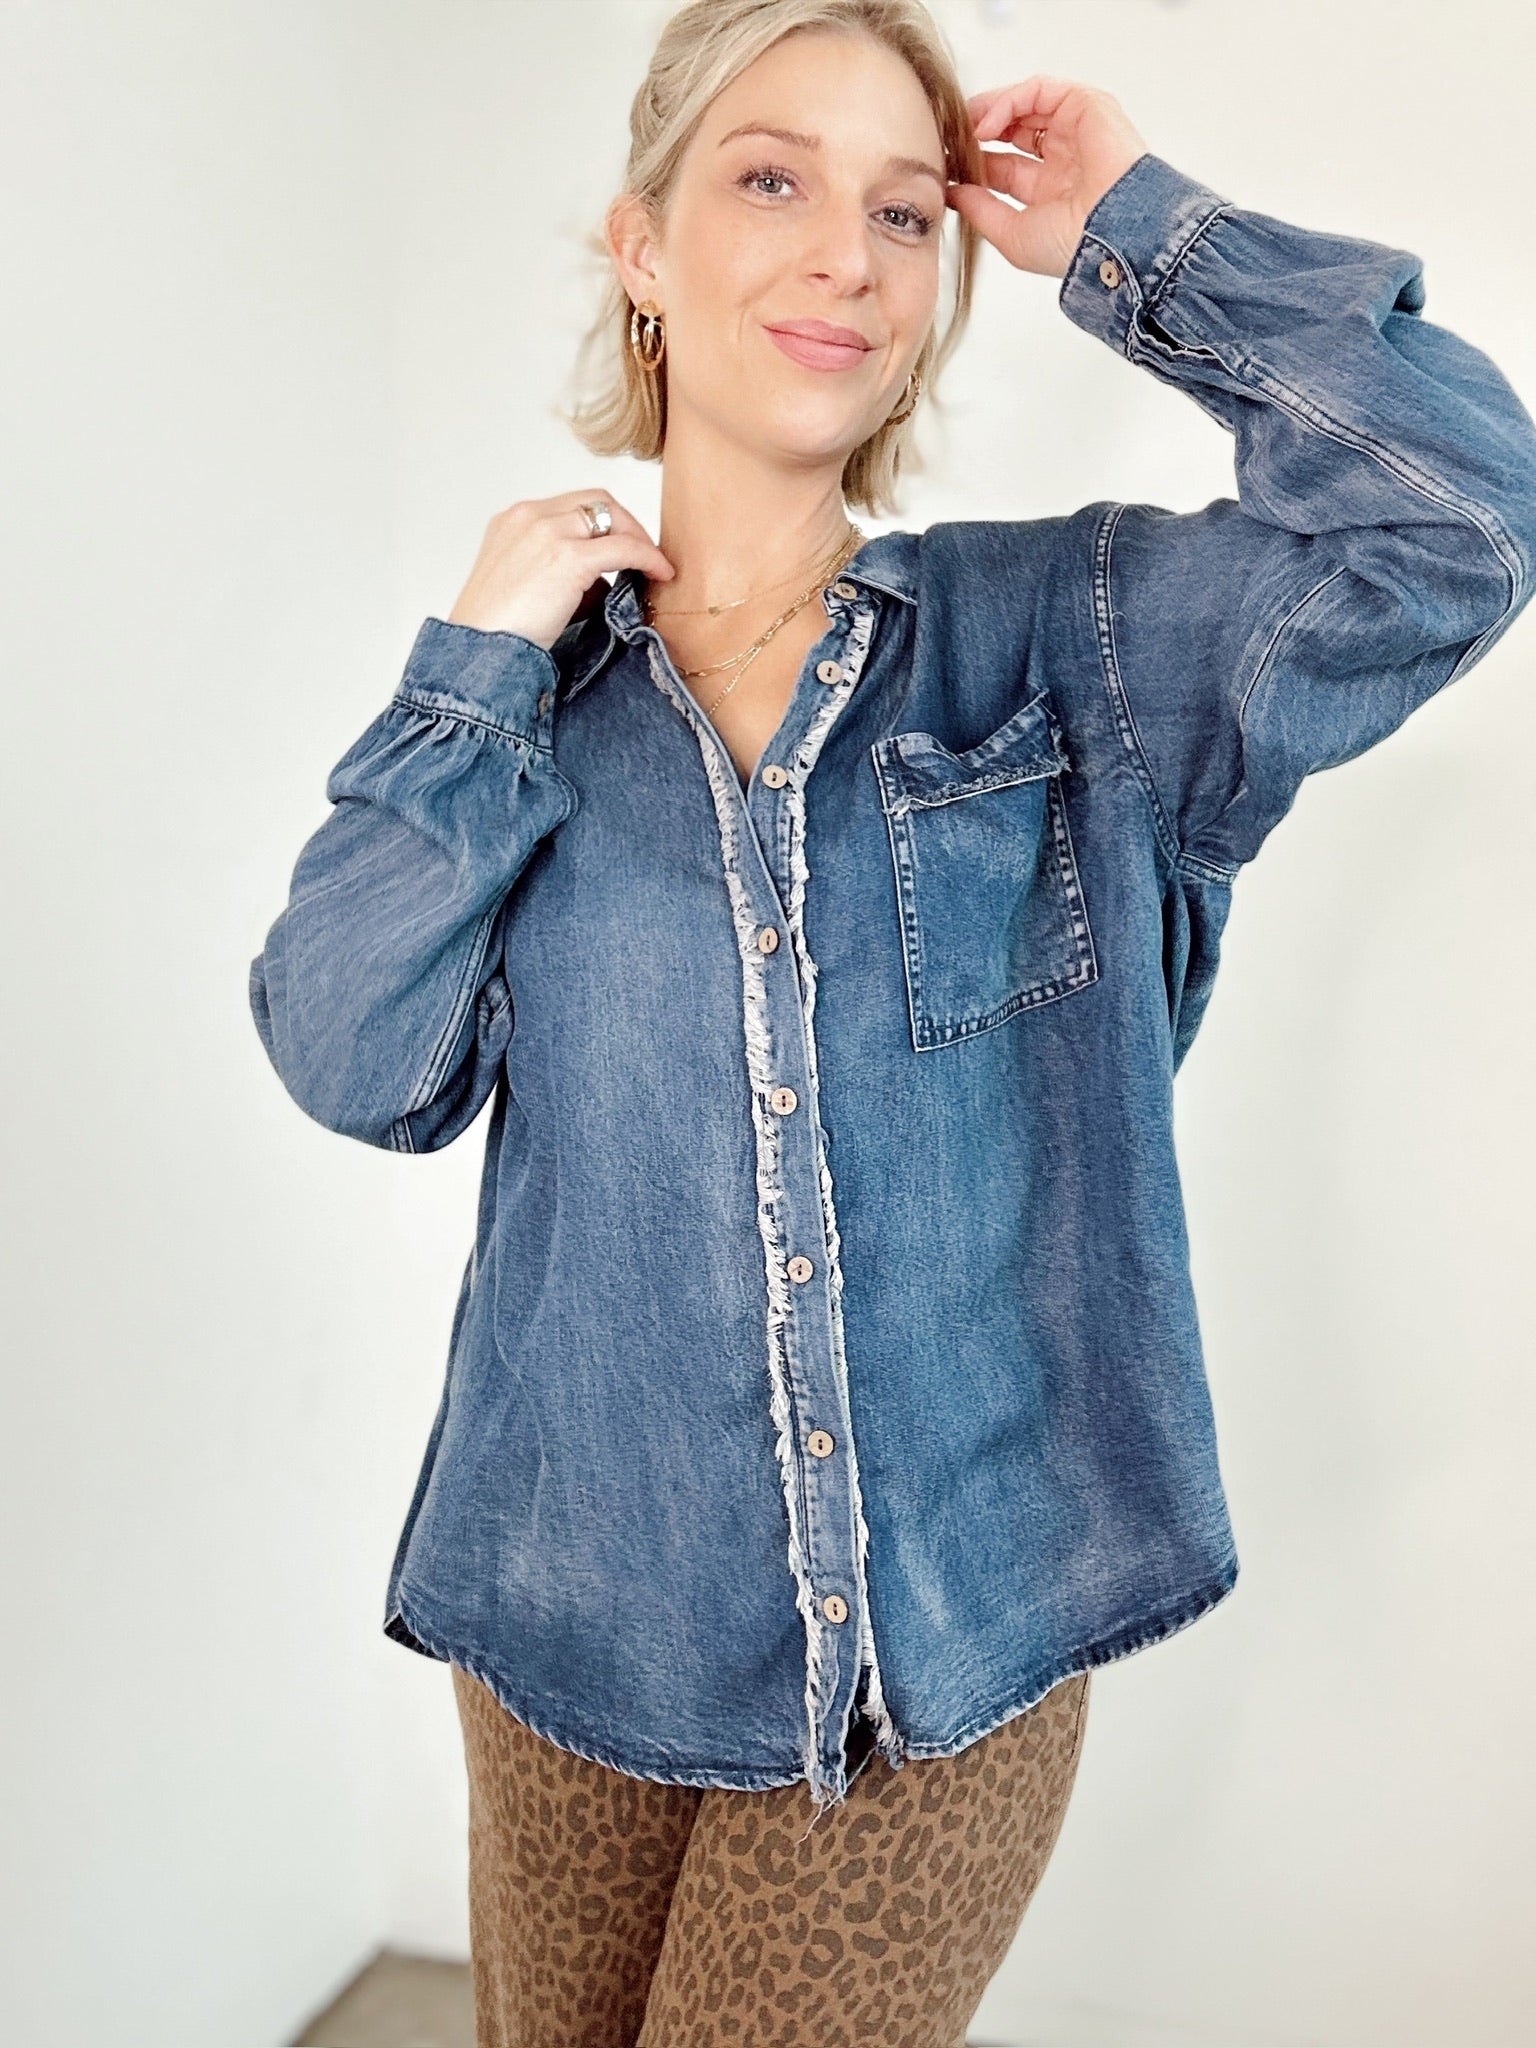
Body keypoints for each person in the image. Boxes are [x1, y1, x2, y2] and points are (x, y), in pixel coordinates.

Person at [248, 1, 1536, 2042]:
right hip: (568, 1608)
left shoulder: (1078, 644)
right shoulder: (527, 708)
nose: (846, 254)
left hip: (944, 1641)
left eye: (906, 210)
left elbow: (1463, 517)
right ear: (642, 244)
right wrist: (468, 670)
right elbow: (348, 1056)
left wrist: (1138, 230)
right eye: (771, 179)